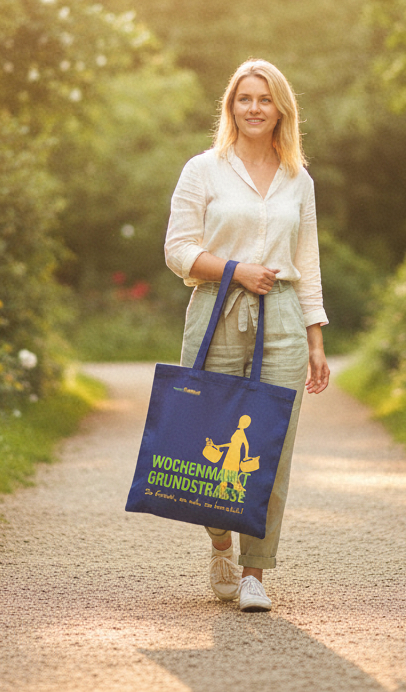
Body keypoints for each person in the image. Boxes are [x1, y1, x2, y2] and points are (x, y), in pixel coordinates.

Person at [164, 58, 330, 613]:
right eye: (244, 99)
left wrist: (315, 337)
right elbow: (178, 249)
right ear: (231, 107)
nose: (254, 108)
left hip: (281, 314)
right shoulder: (203, 170)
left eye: (264, 99)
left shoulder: (297, 178)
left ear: (281, 107)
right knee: (204, 441)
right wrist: (234, 270)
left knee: (270, 448)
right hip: (215, 310)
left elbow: (306, 260)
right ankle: (220, 543)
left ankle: (256, 572)